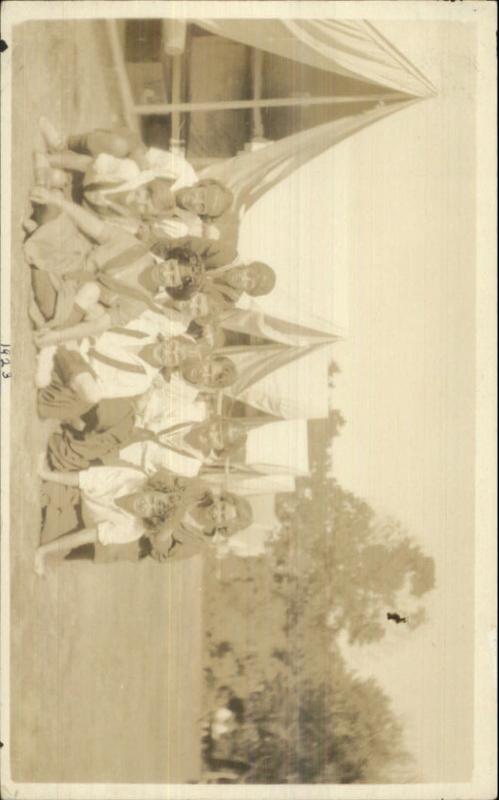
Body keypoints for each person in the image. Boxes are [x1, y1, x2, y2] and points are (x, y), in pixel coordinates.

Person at [26, 188, 206, 341]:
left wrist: (58, 337)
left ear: (173, 288)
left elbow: (98, 325)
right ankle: (39, 242)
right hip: (74, 254)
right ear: (170, 260)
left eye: (172, 278)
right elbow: (95, 228)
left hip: (72, 292)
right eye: (171, 267)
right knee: (54, 208)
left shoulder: (140, 302)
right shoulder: (138, 248)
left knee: (50, 309)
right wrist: (57, 201)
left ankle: (38, 240)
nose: (167, 272)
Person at [35, 460, 191, 576]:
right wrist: (45, 474)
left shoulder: (134, 530)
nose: (145, 505)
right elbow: (84, 479)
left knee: (51, 541)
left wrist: (43, 551)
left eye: (151, 511)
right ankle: (53, 496)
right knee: (52, 489)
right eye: (152, 500)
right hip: (78, 490)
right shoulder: (134, 478)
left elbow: (86, 536)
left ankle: (53, 510)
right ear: (152, 489)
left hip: (80, 518)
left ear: (151, 519)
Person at [151, 488, 254, 563]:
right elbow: (165, 480)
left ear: (224, 527)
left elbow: (162, 555)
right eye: (222, 507)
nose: (216, 512)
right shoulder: (201, 490)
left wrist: (170, 524)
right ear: (222, 500)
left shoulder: (199, 544)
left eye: (222, 517)